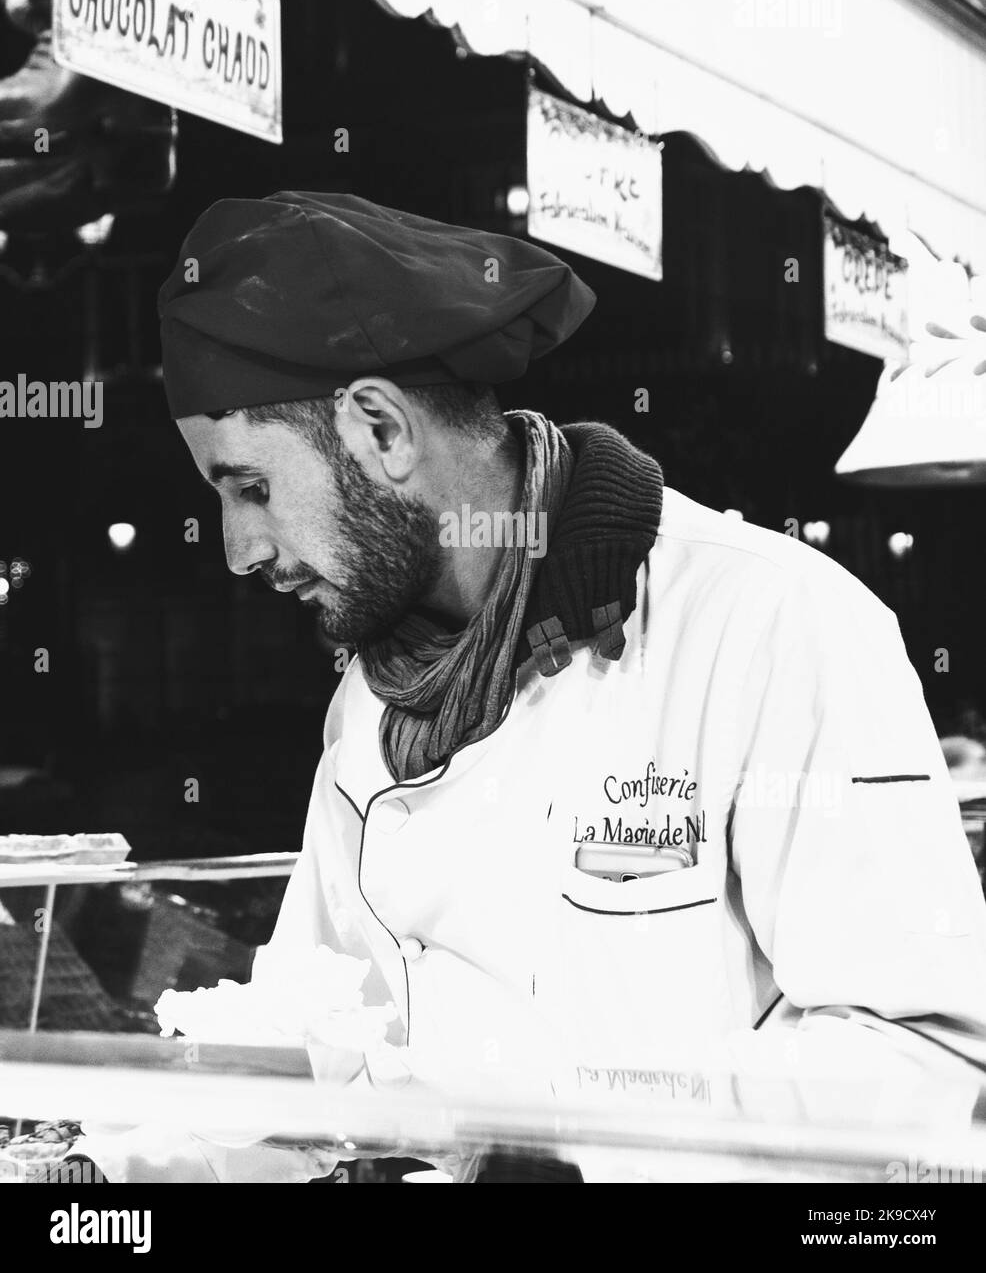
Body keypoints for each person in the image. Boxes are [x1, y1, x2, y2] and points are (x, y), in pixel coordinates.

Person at [78, 191, 986, 1181]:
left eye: (249, 486)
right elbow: (332, 1026)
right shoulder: (372, 701)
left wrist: (565, 1142)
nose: (237, 551)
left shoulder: (768, 622)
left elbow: (919, 1058)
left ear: (379, 428)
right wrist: (152, 1151)